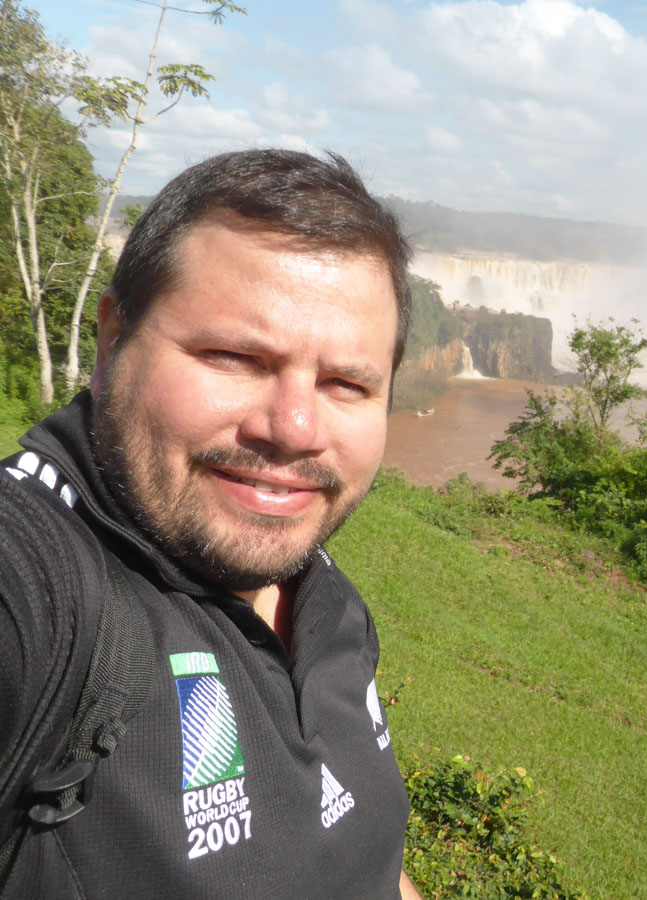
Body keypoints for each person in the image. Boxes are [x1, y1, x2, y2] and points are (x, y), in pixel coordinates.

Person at [0, 149, 423, 898]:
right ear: (112, 341)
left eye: (346, 384)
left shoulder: (327, 602)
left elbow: (367, 863)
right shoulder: (42, 581)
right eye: (233, 356)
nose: (294, 429)